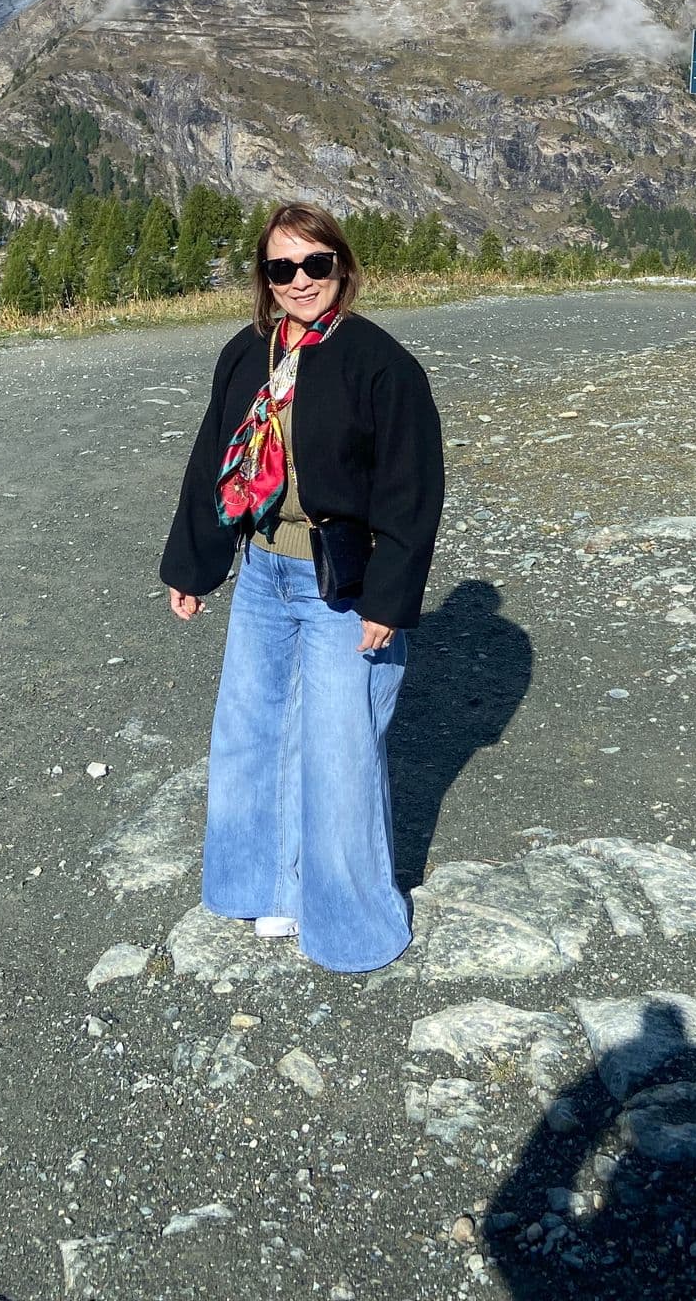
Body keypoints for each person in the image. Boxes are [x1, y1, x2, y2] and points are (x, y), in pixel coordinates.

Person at [160, 201, 445, 974]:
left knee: (339, 750)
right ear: (264, 277)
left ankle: (353, 929)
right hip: (260, 572)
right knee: (251, 736)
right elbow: (210, 462)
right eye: (281, 268)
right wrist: (192, 568)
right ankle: (272, 892)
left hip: (340, 586)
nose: (299, 281)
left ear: (341, 268)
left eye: (314, 264)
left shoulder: (381, 364)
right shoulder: (246, 355)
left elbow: (412, 492)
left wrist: (390, 599)